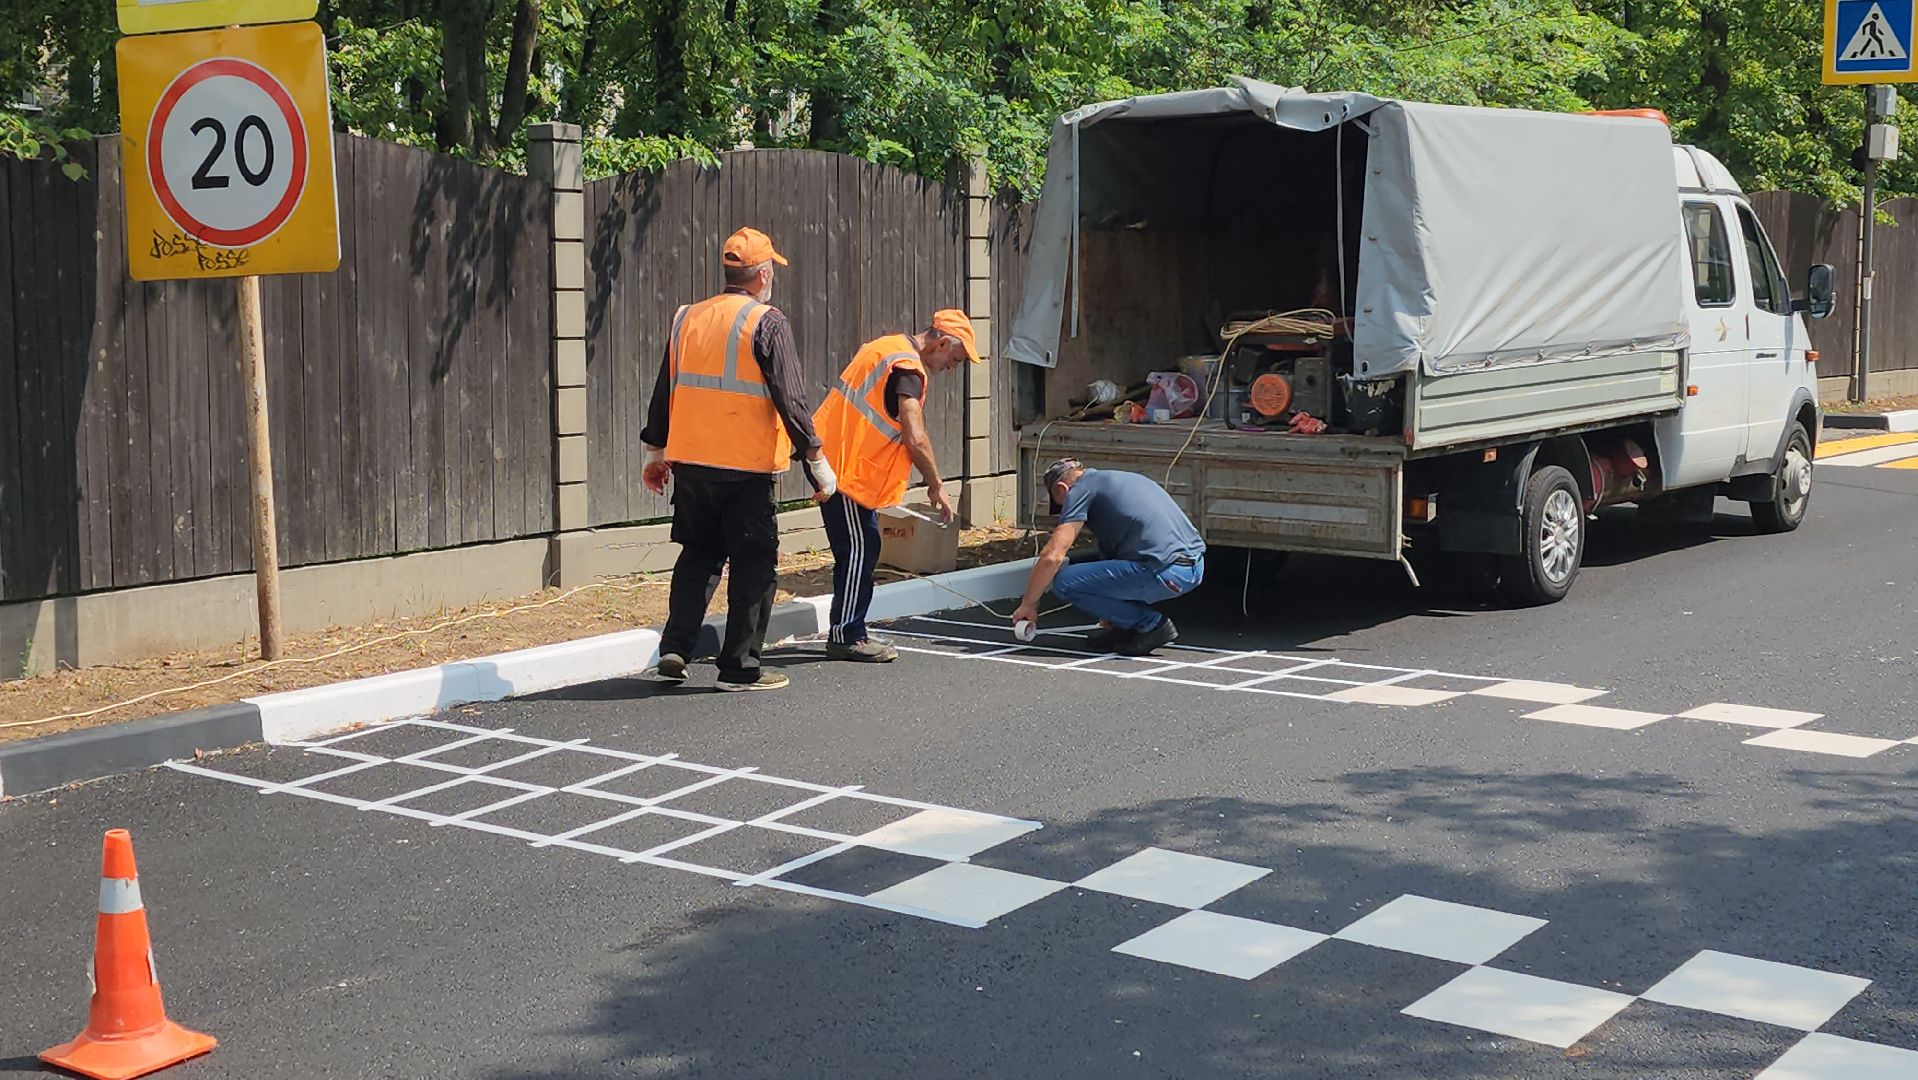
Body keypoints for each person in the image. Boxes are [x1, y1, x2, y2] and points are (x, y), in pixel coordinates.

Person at [639, 227, 835, 692]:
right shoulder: (767, 321)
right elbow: (790, 396)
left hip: (691, 465)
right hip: (745, 469)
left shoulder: (686, 318)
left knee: (698, 556)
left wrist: (655, 451)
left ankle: (675, 648)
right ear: (763, 273)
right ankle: (740, 668)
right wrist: (816, 459)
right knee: (754, 563)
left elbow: (665, 387)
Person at [812, 310, 984, 661]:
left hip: (839, 458)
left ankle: (851, 629)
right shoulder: (908, 370)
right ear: (941, 342)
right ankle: (847, 635)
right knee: (859, 550)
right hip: (844, 466)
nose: (953, 367)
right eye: (955, 359)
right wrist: (936, 484)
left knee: (863, 545)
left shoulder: (887, 347)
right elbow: (915, 436)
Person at [1010, 459, 1206, 655]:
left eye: (1061, 505)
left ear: (1062, 489)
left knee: (1066, 581)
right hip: (1194, 567)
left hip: (1166, 571)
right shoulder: (1122, 480)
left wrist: (1028, 605)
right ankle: (1125, 627)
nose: (1064, 511)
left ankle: (1152, 625)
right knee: (1096, 573)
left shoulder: (1080, 490)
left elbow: (1052, 557)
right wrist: (1112, 613)